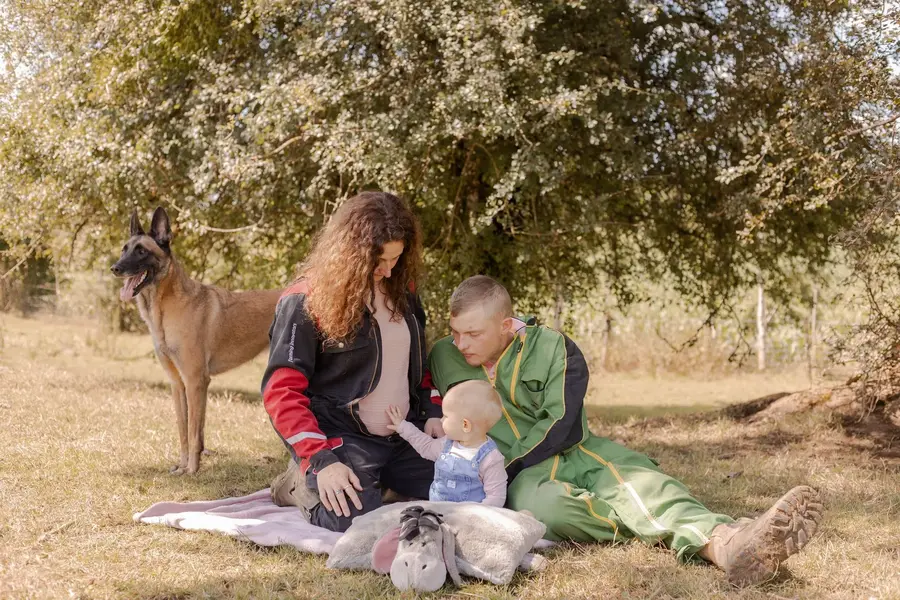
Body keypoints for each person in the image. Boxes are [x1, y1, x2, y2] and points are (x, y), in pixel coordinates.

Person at [427, 275, 824, 587]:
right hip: (516, 473)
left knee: (638, 483)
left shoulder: (551, 347)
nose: (460, 344)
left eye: (473, 334)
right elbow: (423, 404)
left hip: (573, 448)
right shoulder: (444, 356)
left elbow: (562, 422)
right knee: (547, 510)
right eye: (455, 332)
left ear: (505, 325)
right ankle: (671, 530)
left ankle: (726, 543)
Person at [262, 192, 444, 532]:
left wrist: (432, 410)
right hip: (342, 438)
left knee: (464, 489)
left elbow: (419, 364)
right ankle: (298, 483)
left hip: (405, 437)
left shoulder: (402, 288)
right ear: (351, 253)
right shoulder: (304, 301)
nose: (388, 270)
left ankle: (378, 483)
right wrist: (320, 459)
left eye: (396, 259)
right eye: (379, 261)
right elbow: (281, 393)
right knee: (352, 518)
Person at [385, 379, 508, 507]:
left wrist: (477, 518)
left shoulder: (490, 459)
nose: (441, 420)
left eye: (446, 416)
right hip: (437, 513)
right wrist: (403, 427)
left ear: (465, 425)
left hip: (468, 520)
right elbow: (426, 446)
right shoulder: (447, 444)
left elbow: (496, 498)